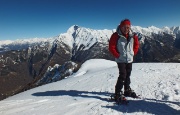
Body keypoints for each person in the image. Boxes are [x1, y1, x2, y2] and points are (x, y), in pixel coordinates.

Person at [109, 19, 139, 100]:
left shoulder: (133, 36)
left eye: (128, 27)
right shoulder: (115, 35)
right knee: (123, 75)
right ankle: (117, 93)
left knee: (128, 75)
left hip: (129, 59)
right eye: (124, 27)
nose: (126, 29)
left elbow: (136, 45)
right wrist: (117, 55)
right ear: (121, 27)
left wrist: (133, 53)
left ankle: (127, 89)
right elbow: (111, 47)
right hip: (121, 60)